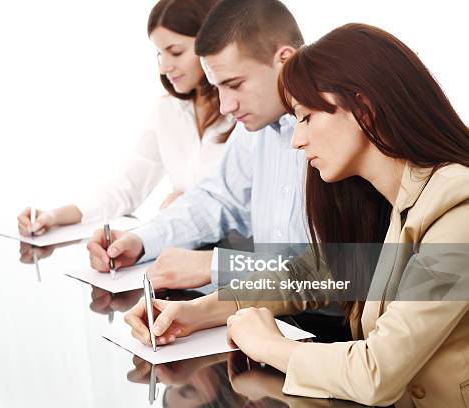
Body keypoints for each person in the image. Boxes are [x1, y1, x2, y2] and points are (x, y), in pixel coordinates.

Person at [125, 23, 469, 407]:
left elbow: (378, 373)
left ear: (364, 111)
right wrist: (196, 311)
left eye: (306, 117)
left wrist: (268, 345)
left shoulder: (457, 206)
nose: (296, 139)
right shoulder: (385, 202)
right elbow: (307, 276)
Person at [87, 0, 308, 291]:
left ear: (284, 60)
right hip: (270, 306)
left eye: (235, 84)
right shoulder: (255, 128)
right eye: (218, 87)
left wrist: (216, 265)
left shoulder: (341, 126)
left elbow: (350, 272)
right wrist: (141, 241)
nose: (226, 106)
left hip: (331, 328)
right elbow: (216, 200)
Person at [17, 0, 235, 237]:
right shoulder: (167, 111)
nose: (164, 67)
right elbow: (126, 189)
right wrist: (55, 216)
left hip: (238, 258)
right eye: (160, 54)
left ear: (212, 43)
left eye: (175, 52)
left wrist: (185, 208)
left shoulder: (246, 113)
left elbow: (248, 207)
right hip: (182, 251)